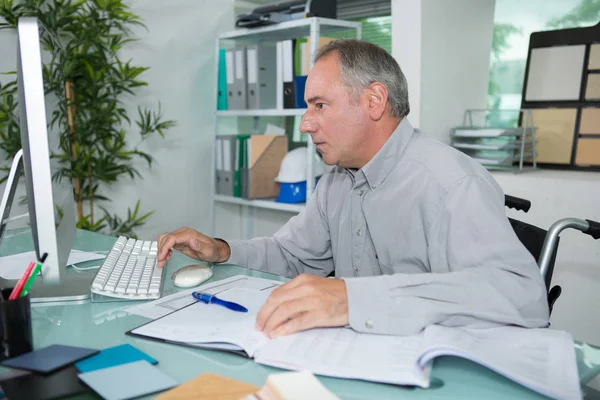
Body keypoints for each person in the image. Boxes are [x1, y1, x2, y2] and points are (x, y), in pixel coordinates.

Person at [157, 39, 549, 339]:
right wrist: (222, 250)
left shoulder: (450, 182)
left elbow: (524, 297)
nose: (306, 124)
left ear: (374, 100)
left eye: (320, 106)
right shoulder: (337, 182)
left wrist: (353, 300)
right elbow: (291, 255)